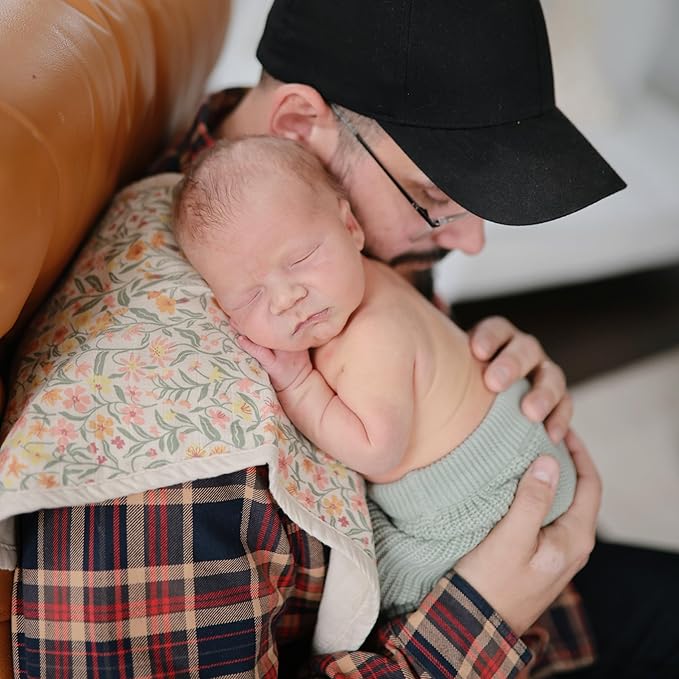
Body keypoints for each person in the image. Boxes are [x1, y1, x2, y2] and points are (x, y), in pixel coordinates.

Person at [13, 1, 679, 677]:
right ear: (298, 124)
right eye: (434, 196)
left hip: (540, 579)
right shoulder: (169, 438)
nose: (471, 240)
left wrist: (471, 374)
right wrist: (481, 621)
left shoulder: (295, 217)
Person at [172, 134, 579, 619]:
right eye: (250, 297)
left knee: (381, 589)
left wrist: (299, 385)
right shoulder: (366, 279)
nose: (285, 298)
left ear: (350, 226)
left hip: (482, 497)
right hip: (518, 452)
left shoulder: (372, 335)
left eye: (300, 259)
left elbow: (376, 450)